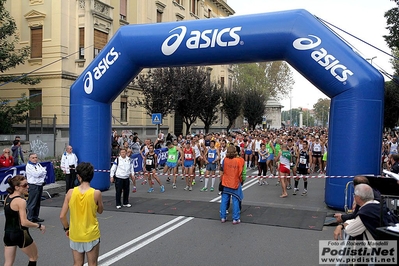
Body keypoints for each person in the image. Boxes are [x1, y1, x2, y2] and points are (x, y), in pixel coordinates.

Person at [60, 162, 104, 266]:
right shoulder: (96, 193)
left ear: (79, 177)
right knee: (92, 263)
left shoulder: (70, 192)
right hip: (91, 234)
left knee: (77, 263)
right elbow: (100, 210)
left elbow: (62, 216)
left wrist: (67, 229)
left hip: (75, 233)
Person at [3, 175, 46, 266]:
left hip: (8, 233)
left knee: (8, 262)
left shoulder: (7, 197)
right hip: (21, 233)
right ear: (17, 187)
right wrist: (38, 226)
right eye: (24, 185)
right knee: (33, 257)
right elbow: (24, 222)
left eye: (27, 184)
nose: (28, 187)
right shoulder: (20, 201)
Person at [219, 145, 244, 224]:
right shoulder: (238, 161)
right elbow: (240, 173)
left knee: (224, 200)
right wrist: (241, 180)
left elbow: (222, 171)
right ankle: (235, 218)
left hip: (226, 182)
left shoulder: (224, 160)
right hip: (235, 182)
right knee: (236, 200)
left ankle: (223, 217)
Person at [26, 153, 47, 222]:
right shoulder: (29, 166)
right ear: (29, 158)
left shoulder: (38, 164)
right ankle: (29, 218)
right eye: (33, 158)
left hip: (40, 185)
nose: (35, 159)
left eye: (36, 157)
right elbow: (36, 174)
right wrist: (40, 173)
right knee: (32, 202)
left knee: (38, 202)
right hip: (33, 185)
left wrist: (40, 173)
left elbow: (44, 171)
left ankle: (35, 216)